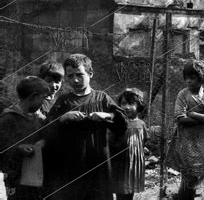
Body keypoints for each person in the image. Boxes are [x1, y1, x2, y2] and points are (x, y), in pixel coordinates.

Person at [43, 54, 127, 200]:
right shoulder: (64, 101)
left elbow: (123, 124)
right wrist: (63, 118)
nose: (75, 80)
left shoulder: (102, 98)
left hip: (98, 164)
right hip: (71, 165)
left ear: (90, 74)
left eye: (80, 75)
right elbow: (47, 130)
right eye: (70, 76)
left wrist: (107, 116)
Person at [165, 60, 204, 200]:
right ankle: (184, 196)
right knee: (188, 173)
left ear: (202, 78)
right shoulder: (183, 94)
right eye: (187, 77)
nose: (189, 81)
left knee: (200, 173)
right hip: (187, 139)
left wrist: (194, 114)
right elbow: (180, 118)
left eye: (193, 77)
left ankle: (188, 195)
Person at [0, 76, 50, 200]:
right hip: (17, 179)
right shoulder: (8, 119)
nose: (44, 103)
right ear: (33, 96)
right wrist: (18, 148)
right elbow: (2, 149)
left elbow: (47, 136)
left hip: (36, 177)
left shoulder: (39, 119)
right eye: (42, 98)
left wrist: (43, 141)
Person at [110, 88, 148, 200]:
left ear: (139, 105)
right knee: (120, 191)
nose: (126, 107)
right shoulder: (116, 123)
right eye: (123, 103)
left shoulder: (141, 124)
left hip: (133, 163)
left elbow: (144, 139)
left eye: (131, 104)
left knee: (129, 191)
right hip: (120, 163)